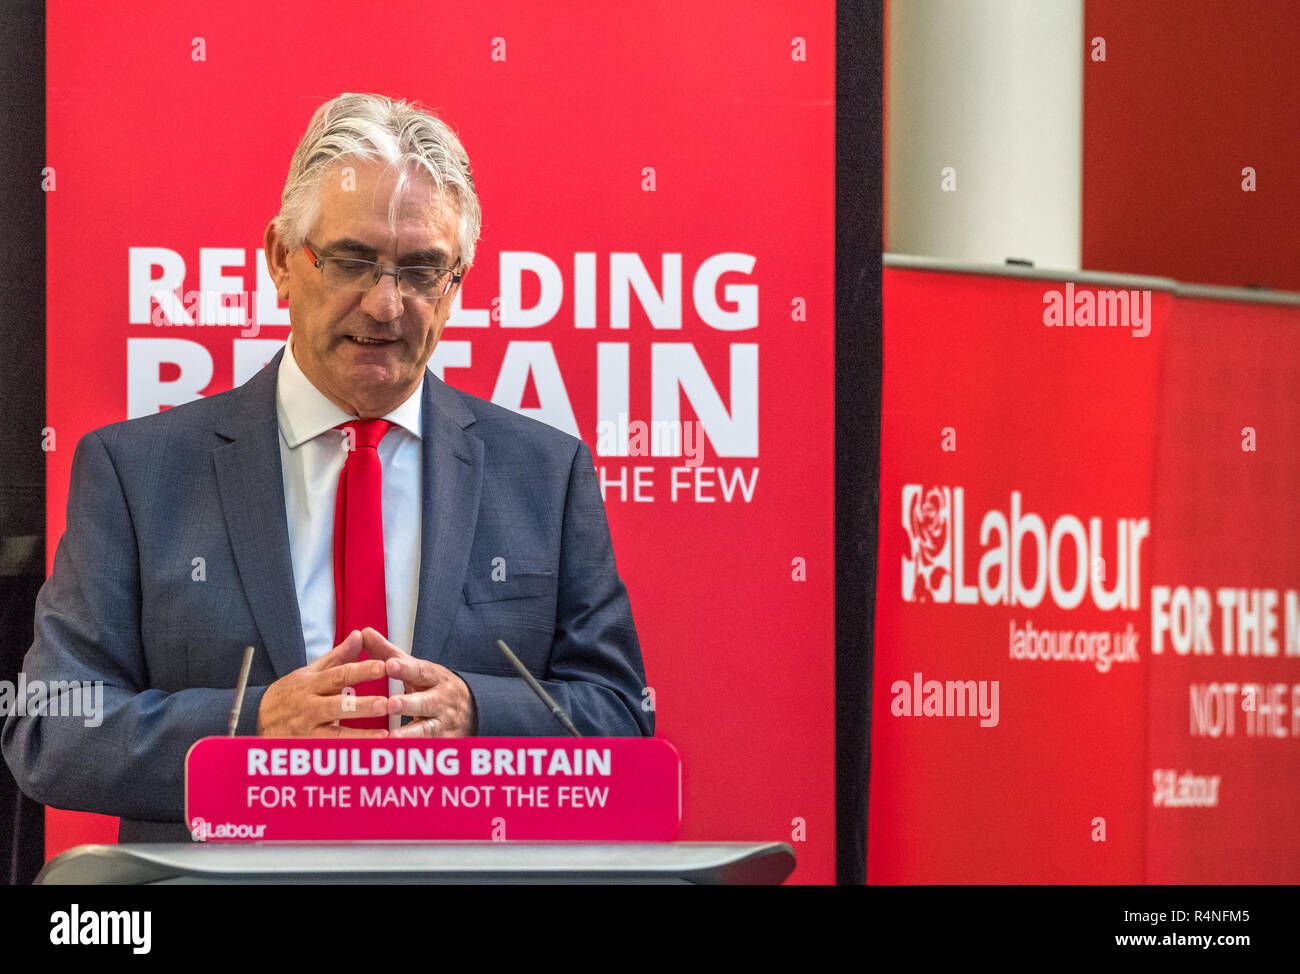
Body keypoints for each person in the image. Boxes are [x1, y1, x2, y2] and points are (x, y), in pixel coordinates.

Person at [2, 93, 652, 841]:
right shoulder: (135, 473)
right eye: (351, 261)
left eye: (420, 269)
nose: (385, 304)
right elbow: (51, 726)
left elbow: (622, 719)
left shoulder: (546, 472)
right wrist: (251, 728)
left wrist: (478, 713)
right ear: (281, 259)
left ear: (458, 283)